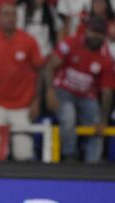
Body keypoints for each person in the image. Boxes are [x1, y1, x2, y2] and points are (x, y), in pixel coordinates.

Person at [0, 3, 44, 161]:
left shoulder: (28, 41)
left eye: (13, 14)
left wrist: (37, 100)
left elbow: (40, 71)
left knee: (23, 154)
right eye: (6, 14)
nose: (9, 18)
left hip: (22, 105)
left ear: (17, 17)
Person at [45, 16, 114, 163]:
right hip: (64, 90)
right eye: (92, 31)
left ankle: (92, 163)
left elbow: (107, 91)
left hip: (87, 96)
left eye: (99, 32)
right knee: (68, 117)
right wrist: (49, 92)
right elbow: (49, 67)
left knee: (97, 126)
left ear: (104, 35)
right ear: (87, 31)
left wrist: (103, 119)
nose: (95, 35)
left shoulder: (106, 58)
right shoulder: (71, 43)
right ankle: (70, 155)